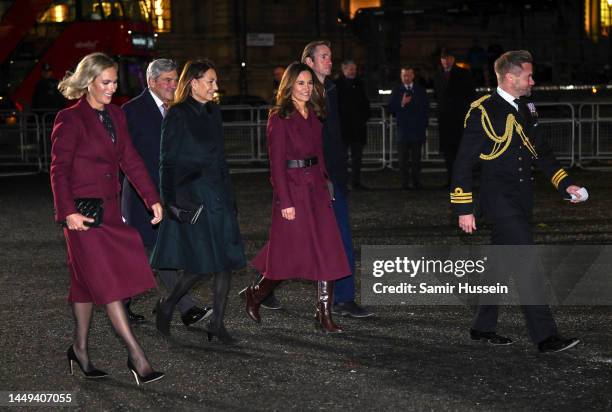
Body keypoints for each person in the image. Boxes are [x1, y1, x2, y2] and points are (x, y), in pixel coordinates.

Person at [451, 50, 582, 353]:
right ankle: (545, 337)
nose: (533, 81)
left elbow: (543, 154)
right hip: (498, 199)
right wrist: (464, 208)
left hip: (522, 198)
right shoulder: (483, 111)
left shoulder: (528, 108)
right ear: (511, 77)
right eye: (528, 76)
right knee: (526, 262)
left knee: (500, 263)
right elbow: (462, 163)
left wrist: (565, 184)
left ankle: (483, 327)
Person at [50, 52, 164, 385]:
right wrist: (67, 211)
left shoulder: (116, 115)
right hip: (82, 216)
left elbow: (130, 159)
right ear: (88, 82)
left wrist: (152, 198)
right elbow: (58, 170)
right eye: (106, 82)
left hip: (110, 212)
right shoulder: (69, 119)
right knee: (109, 282)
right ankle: (137, 357)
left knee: (85, 284)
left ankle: (80, 349)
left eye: (115, 81)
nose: (113, 88)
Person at [241, 62, 350, 333]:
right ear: (289, 85)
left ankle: (323, 314)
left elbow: (319, 152)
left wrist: (326, 181)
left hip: (316, 187)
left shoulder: (314, 113)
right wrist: (285, 201)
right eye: (300, 83)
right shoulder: (279, 117)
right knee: (288, 254)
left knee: (328, 249)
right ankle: (256, 294)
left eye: (309, 83)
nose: (306, 88)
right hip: (293, 189)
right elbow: (276, 164)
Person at [150, 59, 246, 345]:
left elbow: (220, 157)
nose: (215, 87)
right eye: (210, 81)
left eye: (215, 82)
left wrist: (231, 197)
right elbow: (166, 162)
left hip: (218, 193)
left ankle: (217, 324)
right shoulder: (177, 114)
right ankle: (168, 305)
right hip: (194, 195)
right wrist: (171, 203)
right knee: (201, 265)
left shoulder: (213, 111)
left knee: (225, 263)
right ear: (193, 82)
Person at [121, 59, 211, 326]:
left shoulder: (179, 109)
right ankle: (186, 308)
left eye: (175, 79)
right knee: (158, 252)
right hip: (141, 196)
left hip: (173, 193)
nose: (173, 85)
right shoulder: (131, 111)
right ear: (151, 82)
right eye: (167, 81)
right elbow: (121, 157)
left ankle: (122, 302)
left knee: (150, 253)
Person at [302, 40, 373, 317]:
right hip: (312, 177)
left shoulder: (332, 88)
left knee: (341, 237)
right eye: (324, 56)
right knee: (297, 240)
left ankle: (343, 298)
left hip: (333, 175)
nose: (329, 61)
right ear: (309, 62)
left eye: (330, 56)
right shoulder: (303, 93)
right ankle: (262, 288)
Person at [433, 48, 475, 186]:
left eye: (448, 58)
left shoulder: (463, 74)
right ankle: (451, 179)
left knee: (460, 152)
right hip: (445, 120)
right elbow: (438, 97)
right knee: (448, 152)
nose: (445, 61)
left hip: (459, 120)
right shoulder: (438, 75)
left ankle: (462, 180)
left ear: (453, 59)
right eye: (443, 58)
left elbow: (470, 96)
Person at [389, 66, 429, 190]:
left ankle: (416, 182)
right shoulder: (396, 90)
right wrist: (402, 103)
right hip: (403, 132)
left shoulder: (420, 90)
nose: (406, 78)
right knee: (403, 160)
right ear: (401, 76)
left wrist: (423, 126)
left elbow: (425, 108)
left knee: (417, 160)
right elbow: (391, 108)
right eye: (404, 75)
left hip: (417, 131)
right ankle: (404, 183)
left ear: (413, 76)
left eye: (408, 75)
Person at [335, 59, 371, 190]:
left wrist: (365, 117)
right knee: (342, 159)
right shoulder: (336, 85)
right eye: (350, 69)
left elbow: (366, 103)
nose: (353, 71)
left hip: (358, 128)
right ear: (343, 69)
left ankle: (356, 182)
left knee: (357, 158)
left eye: (354, 69)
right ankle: (342, 183)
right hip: (343, 129)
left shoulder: (360, 84)